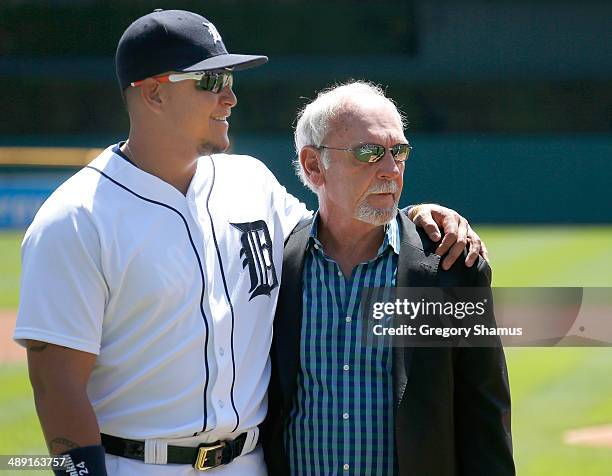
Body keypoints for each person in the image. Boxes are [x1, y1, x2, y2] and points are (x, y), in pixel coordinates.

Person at [13, 10, 487, 476]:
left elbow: (339, 227)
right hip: (138, 464)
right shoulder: (75, 219)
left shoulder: (250, 183)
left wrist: (418, 216)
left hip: (249, 461)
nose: (230, 97)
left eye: (229, 79)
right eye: (210, 82)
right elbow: (57, 388)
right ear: (154, 93)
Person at [262, 81, 515, 475]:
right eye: (370, 153)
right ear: (314, 165)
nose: (391, 170)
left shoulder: (451, 268)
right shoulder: (273, 266)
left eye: (399, 151)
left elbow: (485, 417)